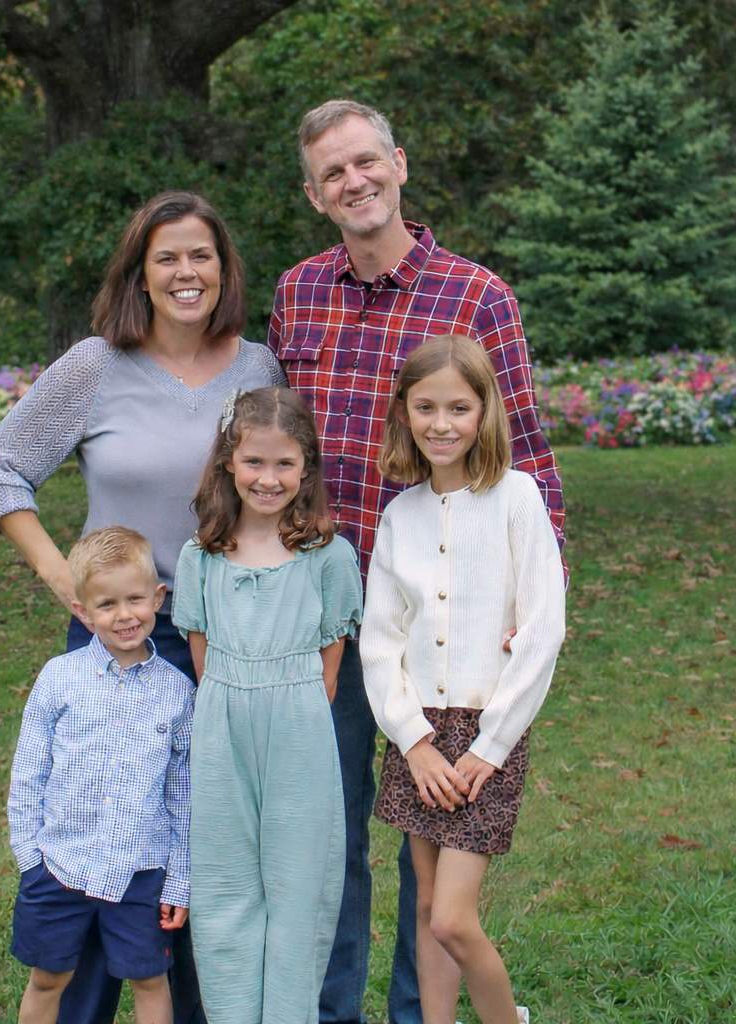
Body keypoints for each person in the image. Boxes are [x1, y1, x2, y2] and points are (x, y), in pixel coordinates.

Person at [267, 99, 566, 1024]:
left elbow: (528, 455)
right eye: (333, 174)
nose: (354, 182)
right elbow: (273, 449)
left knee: (429, 848)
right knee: (330, 834)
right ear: (314, 195)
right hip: (322, 617)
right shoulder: (297, 295)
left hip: (445, 627)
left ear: (398, 163)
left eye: (366, 162)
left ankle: (418, 1014)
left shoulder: (476, 296)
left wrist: (530, 597)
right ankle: (329, 1011)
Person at [0, 190, 287, 1024]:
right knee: (97, 835)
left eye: (202, 255)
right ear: (140, 273)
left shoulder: (259, 368)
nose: (187, 273)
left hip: (230, 640)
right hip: (119, 638)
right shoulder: (95, 366)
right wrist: (57, 571)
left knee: (191, 848)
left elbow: (283, 486)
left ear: (225, 269)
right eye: (167, 257)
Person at [361, 336, 565, 1024]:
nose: (440, 423)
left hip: (486, 734)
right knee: (422, 903)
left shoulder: (517, 499)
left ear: (484, 412)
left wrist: (490, 745)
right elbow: (380, 641)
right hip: (418, 733)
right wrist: (413, 741)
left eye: (458, 407)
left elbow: (542, 630)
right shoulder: (400, 516)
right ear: (404, 414)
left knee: (453, 916)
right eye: (425, 407)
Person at [171, 387, 363, 1024]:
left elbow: (329, 665)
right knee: (226, 881)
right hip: (222, 723)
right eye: (254, 462)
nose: (269, 478)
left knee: (298, 883)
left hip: (300, 726)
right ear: (229, 460)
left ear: (306, 466)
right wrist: (235, 700)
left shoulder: (328, 557)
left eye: (285, 464)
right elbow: (202, 657)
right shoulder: (201, 556)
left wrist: (287, 702)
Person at [7, 527, 196, 1024]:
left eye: (135, 599)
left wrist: (178, 880)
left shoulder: (178, 692)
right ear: (84, 611)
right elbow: (29, 772)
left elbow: (183, 794)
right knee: (48, 979)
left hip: (141, 872)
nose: (124, 615)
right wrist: (31, 857)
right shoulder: (59, 678)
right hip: (59, 864)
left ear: (159, 597)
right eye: (107, 604)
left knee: (150, 981)